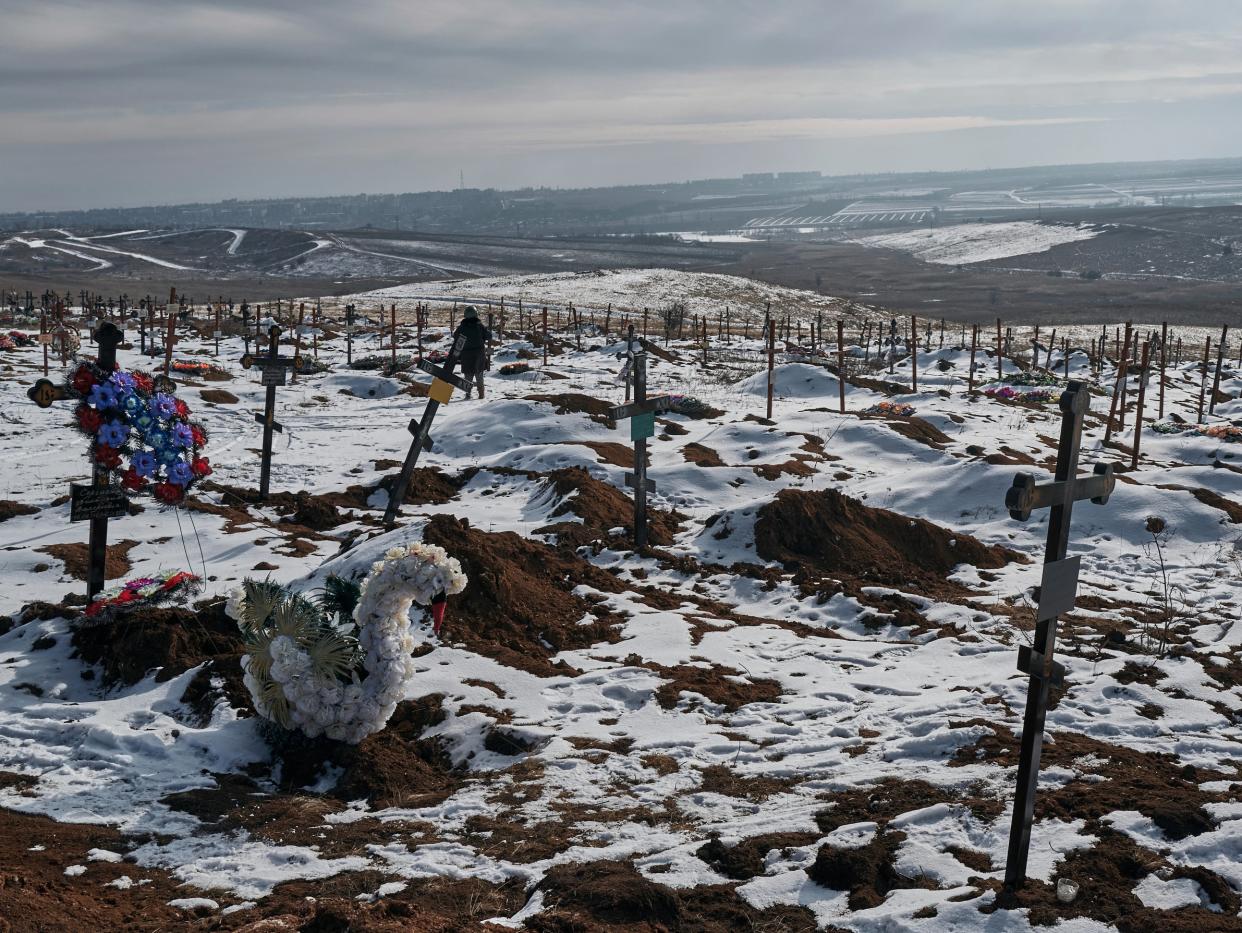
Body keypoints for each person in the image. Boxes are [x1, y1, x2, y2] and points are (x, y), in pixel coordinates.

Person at [454, 306, 492, 399]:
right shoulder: (479, 325)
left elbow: (455, 336)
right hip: (479, 353)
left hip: (466, 354)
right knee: (479, 374)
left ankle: (468, 394)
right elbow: (488, 336)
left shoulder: (462, 327)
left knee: (468, 375)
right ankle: (481, 395)